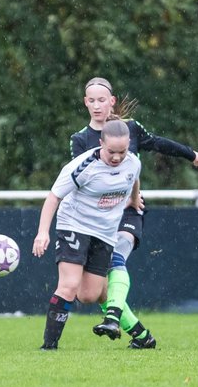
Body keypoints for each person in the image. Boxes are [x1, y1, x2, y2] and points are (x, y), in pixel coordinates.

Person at [68, 77, 198, 349]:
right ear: (85, 103)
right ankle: (142, 336)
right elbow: (76, 182)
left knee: (116, 257)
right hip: (97, 218)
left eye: (101, 100)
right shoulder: (81, 140)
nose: (97, 106)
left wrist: (189, 154)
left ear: (112, 101)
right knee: (97, 287)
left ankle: (113, 318)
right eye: (91, 100)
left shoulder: (130, 129)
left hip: (130, 209)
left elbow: (157, 142)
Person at [33, 119, 143, 350]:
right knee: (69, 285)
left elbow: (133, 178)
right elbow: (53, 197)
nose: (116, 157)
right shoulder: (83, 166)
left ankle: (137, 332)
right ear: (101, 143)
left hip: (104, 233)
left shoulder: (132, 162)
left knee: (89, 295)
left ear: (129, 145)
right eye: (111, 152)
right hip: (74, 225)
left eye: (121, 152)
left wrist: (134, 199)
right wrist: (43, 232)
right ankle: (48, 346)